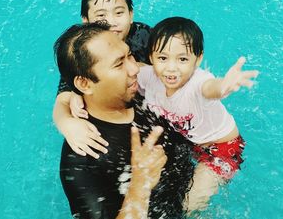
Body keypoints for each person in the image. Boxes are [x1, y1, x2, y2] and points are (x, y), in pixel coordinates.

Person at [69, 17, 259, 212]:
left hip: (222, 149)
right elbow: (103, 84)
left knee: (189, 205)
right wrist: (75, 96)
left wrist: (224, 85)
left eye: (183, 59)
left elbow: (211, 88)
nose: (171, 68)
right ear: (150, 57)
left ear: (198, 59)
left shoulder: (197, 83)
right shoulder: (147, 77)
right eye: (162, 58)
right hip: (194, 142)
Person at [53, 22, 194, 218]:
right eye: (119, 64)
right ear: (85, 83)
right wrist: (139, 186)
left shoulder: (145, 90)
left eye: (129, 55)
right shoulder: (83, 161)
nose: (135, 68)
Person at [54, 0, 151, 159]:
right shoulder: (82, 54)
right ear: (86, 21)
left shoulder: (143, 36)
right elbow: (61, 102)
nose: (111, 22)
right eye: (100, 16)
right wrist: (67, 124)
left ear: (131, 14)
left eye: (119, 12)